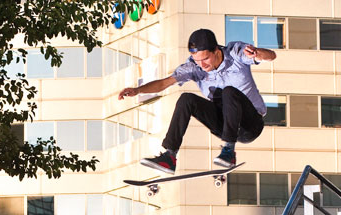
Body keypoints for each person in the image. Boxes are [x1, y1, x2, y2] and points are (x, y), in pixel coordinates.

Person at [118, 28, 276, 173]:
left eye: (206, 59)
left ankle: (229, 152)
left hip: (250, 124)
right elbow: (164, 83)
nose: (202, 65)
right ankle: (170, 156)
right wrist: (138, 90)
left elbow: (271, 56)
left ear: (216, 50)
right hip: (224, 124)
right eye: (197, 60)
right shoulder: (193, 67)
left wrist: (257, 53)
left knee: (228, 91)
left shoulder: (235, 53)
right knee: (186, 99)